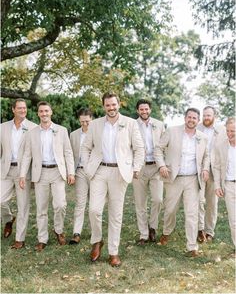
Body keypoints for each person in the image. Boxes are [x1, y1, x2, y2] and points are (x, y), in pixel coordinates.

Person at [81, 92, 145, 267]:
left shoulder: (130, 124)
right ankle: (97, 240)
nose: (111, 108)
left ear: (119, 104)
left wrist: (136, 167)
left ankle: (113, 251)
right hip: (99, 171)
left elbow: (139, 149)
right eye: (108, 105)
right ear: (104, 106)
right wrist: (88, 167)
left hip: (119, 172)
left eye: (113, 104)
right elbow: (86, 148)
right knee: (94, 210)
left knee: (116, 214)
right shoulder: (95, 125)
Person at [19, 101, 75, 251]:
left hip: (57, 172)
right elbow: (27, 155)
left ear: (51, 112)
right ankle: (42, 238)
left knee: (60, 205)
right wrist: (22, 175)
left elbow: (68, 152)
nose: (44, 114)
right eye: (41, 111)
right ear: (38, 114)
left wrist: (71, 172)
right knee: (41, 208)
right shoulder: (31, 133)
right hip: (40, 173)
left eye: (46, 111)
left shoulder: (61, 130)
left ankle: (58, 230)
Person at [155, 108, 209, 257]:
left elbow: (206, 156)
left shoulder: (202, 137)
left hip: (193, 179)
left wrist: (205, 169)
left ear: (198, 121)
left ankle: (192, 246)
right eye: (189, 117)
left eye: (194, 118)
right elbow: (158, 149)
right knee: (170, 209)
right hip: (174, 177)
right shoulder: (172, 131)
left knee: (192, 213)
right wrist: (161, 165)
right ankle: (166, 232)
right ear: (185, 118)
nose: (191, 120)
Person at [1, 99, 37, 249]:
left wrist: (34, 175)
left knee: (23, 205)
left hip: (24, 171)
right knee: (1, 201)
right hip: (5, 170)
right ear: (13, 110)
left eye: (25, 108)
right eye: (20, 108)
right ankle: (9, 219)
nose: (23, 110)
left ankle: (19, 239)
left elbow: (36, 154)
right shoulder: (2, 127)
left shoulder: (33, 128)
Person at [133, 99, 165, 245]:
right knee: (140, 203)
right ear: (137, 111)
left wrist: (163, 164)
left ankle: (153, 227)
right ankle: (143, 234)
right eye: (141, 109)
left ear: (150, 110)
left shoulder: (159, 125)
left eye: (146, 109)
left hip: (156, 167)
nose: (144, 112)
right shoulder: (132, 125)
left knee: (158, 199)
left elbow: (165, 145)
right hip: (139, 168)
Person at [197, 106, 226, 243]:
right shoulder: (197, 128)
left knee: (212, 203)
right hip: (199, 169)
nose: (206, 118)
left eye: (209, 115)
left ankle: (209, 231)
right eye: (204, 115)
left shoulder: (222, 130)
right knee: (199, 200)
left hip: (215, 170)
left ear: (215, 115)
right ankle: (200, 229)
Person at [69, 108, 93, 245]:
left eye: (87, 121)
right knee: (80, 203)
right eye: (82, 121)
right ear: (79, 120)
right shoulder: (73, 135)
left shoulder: (98, 133)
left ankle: (94, 232)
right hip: (80, 171)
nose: (85, 124)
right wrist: (71, 172)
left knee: (95, 203)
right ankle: (76, 233)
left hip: (95, 171)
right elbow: (71, 154)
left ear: (92, 119)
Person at [213, 117, 236, 257]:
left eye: (233, 131)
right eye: (228, 131)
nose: (229, 134)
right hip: (229, 186)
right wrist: (217, 185)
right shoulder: (220, 145)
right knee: (234, 220)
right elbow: (216, 167)